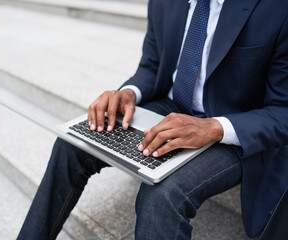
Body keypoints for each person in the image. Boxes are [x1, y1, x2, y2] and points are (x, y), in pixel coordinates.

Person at [18, 0, 288, 239]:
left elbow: (282, 110)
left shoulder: (277, 8)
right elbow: (152, 65)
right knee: (74, 142)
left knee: (163, 194)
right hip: (170, 106)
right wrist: (128, 92)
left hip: (235, 126)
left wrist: (213, 127)